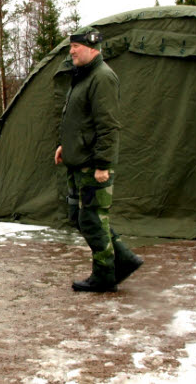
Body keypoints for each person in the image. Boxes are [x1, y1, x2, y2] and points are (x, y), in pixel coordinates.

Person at [53, 26, 143, 293]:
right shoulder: (82, 76)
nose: (71, 52)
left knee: (93, 218)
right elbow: (80, 120)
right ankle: (124, 259)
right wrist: (64, 146)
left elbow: (108, 126)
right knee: (80, 216)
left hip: (92, 164)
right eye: (70, 47)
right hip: (76, 161)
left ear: (91, 47)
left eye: (75, 47)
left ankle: (105, 274)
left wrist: (103, 164)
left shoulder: (102, 78)